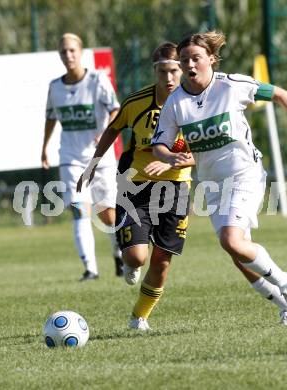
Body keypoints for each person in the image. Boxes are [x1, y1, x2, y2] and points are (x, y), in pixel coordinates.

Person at [152, 31, 287, 326]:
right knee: (236, 250)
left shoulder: (230, 86)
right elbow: (160, 145)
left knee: (231, 240)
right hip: (212, 185)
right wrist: (169, 157)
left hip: (244, 174)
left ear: (211, 59)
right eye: (185, 60)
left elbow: (280, 94)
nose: (190, 65)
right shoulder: (175, 103)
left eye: (196, 58)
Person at [77, 42, 194, 330]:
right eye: (163, 71)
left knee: (162, 261)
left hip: (176, 189)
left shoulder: (198, 105)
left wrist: (170, 164)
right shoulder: (136, 102)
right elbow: (113, 129)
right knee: (137, 255)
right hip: (136, 185)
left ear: (183, 70)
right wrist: (92, 165)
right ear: (155, 71)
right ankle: (129, 259)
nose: (169, 78)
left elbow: (200, 152)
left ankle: (139, 317)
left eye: (174, 71)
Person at [41, 33, 123, 281]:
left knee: (107, 212)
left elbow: (115, 110)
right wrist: (44, 148)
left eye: (72, 50)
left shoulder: (98, 80)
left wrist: (105, 133)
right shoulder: (55, 87)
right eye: (64, 51)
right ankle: (90, 269)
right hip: (71, 156)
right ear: (59, 55)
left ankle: (118, 253)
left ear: (81, 52)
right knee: (78, 208)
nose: (68, 55)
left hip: (101, 157)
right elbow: (51, 117)